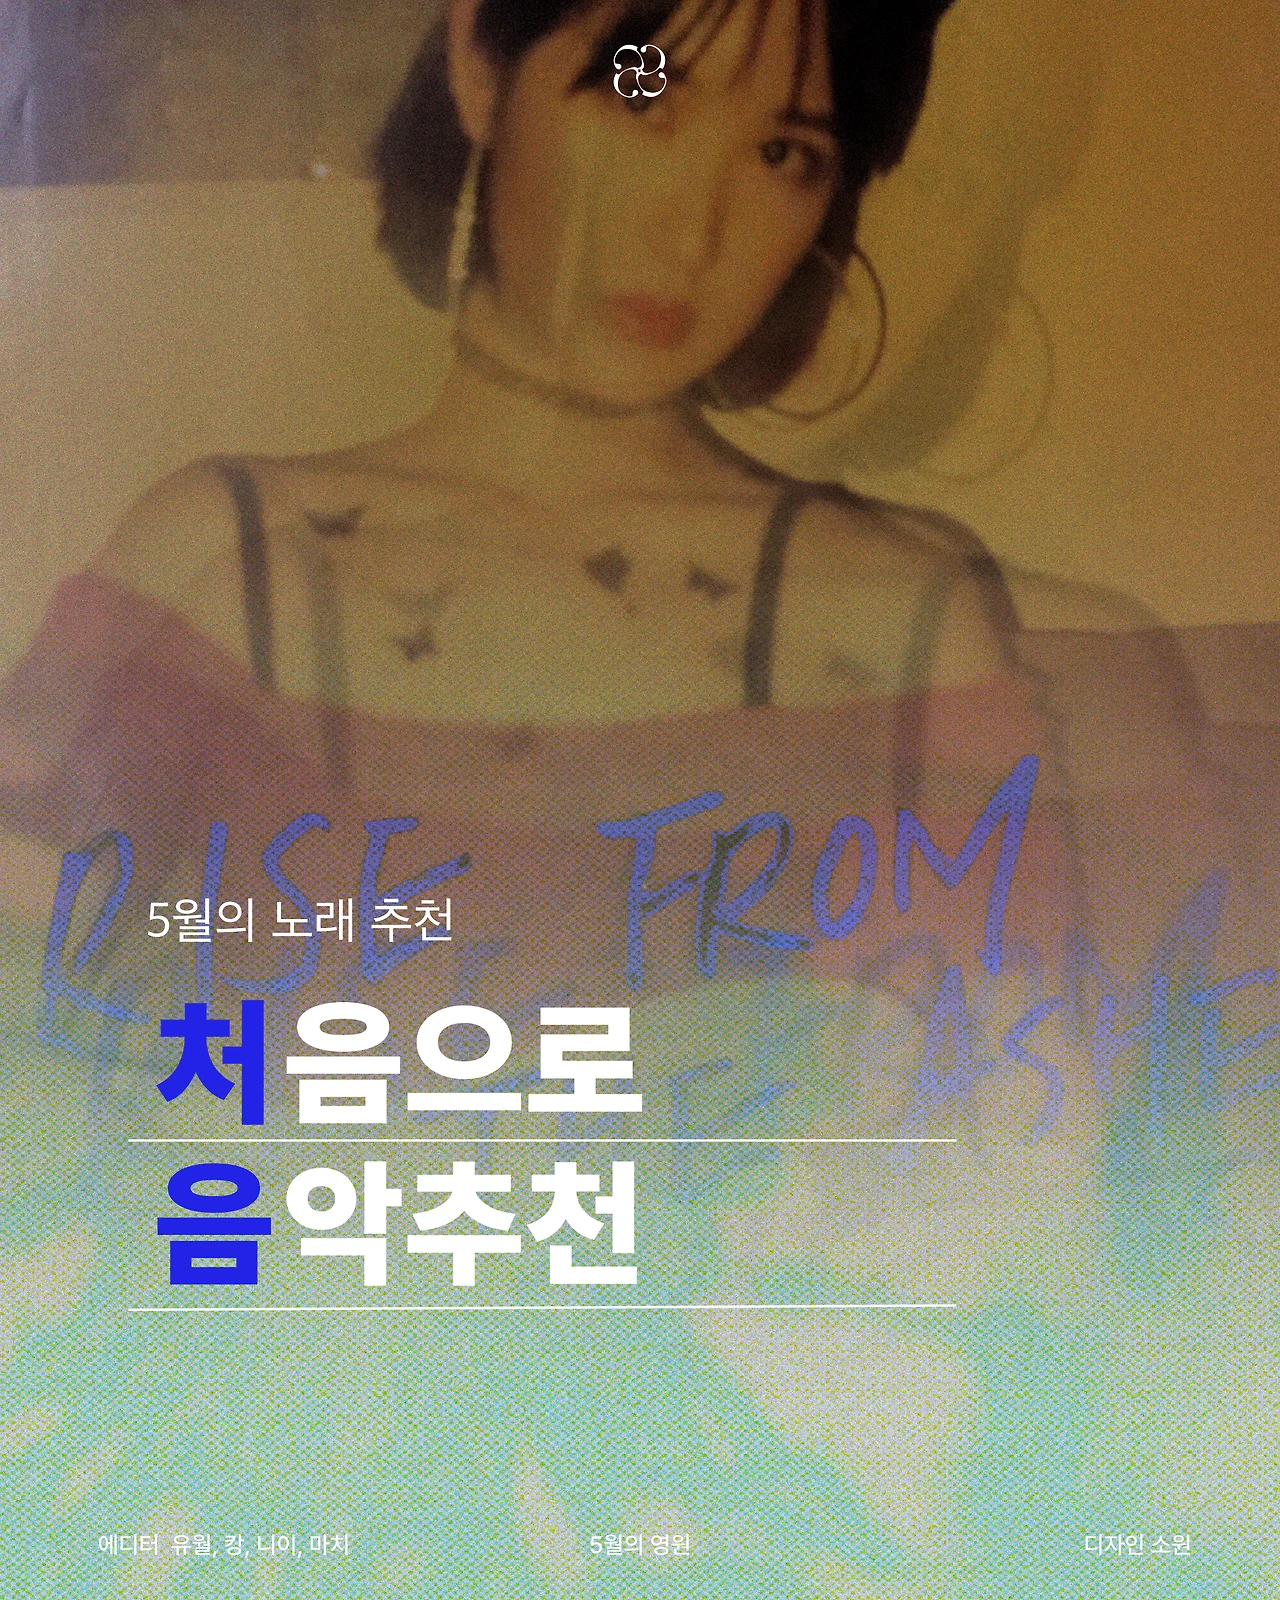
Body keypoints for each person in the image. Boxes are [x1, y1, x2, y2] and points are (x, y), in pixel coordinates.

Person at [0, 1, 1269, 1595]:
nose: (694, 218)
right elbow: (31, 1030)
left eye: (786, 150)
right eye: (642, 93)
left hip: (721, 1459)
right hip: (260, 1437)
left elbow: (1023, 1155)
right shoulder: (219, 552)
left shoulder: (897, 612)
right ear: (480, 65)